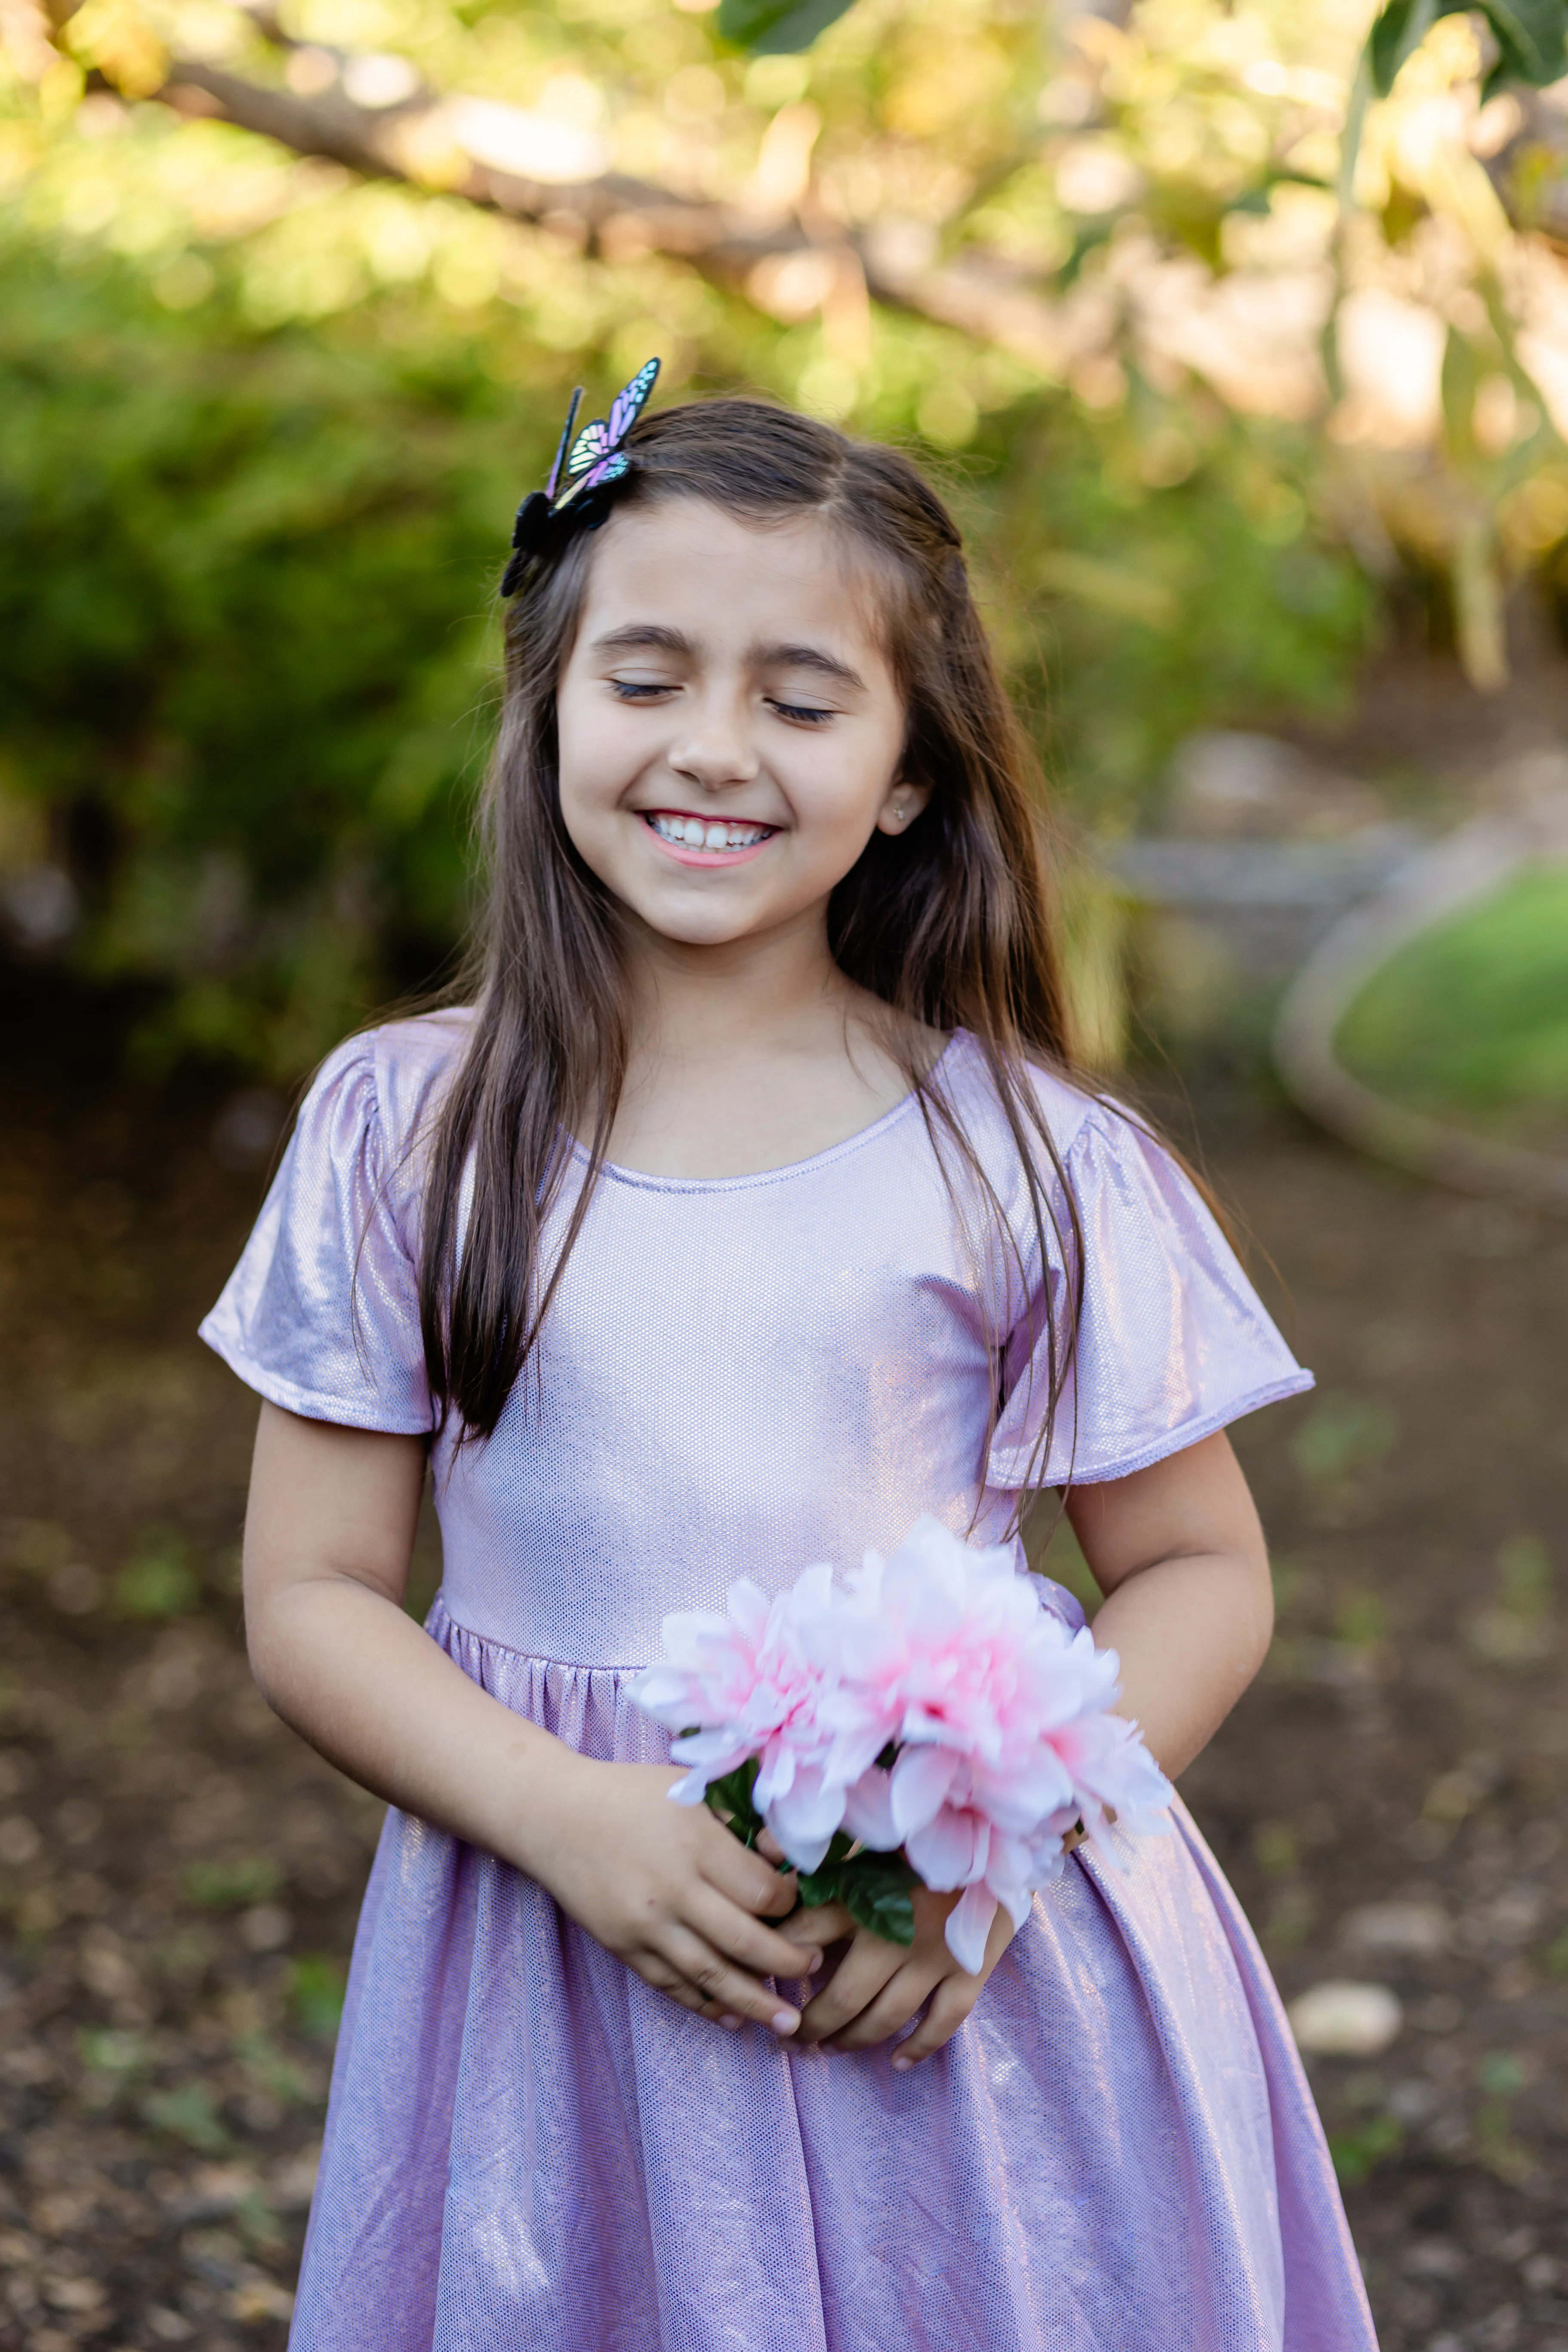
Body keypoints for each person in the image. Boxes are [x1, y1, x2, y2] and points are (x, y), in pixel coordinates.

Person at [202, 372, 1378, 2352]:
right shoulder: (408, 1128)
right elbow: (311, 1593)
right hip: (557, 1981)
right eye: (645, 676)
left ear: (913, 769)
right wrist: (568, 1819)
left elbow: (1201, 1572)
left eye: (803, 699)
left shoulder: (1029, 1161)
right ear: (553, 707)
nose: (713, 749)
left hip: (944, 1989)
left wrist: (991, 1869)